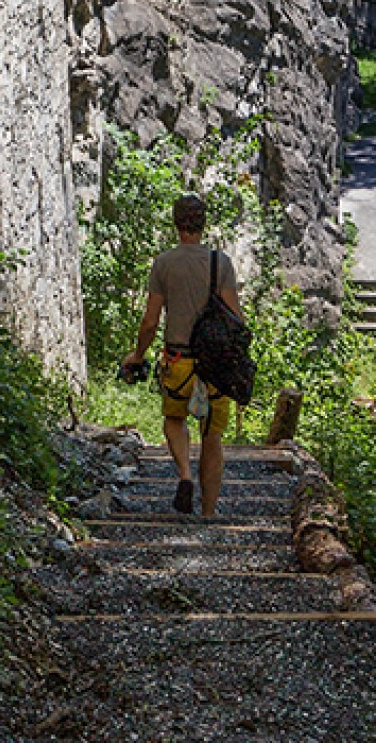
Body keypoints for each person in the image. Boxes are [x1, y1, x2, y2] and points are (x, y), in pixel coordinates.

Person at [120, 193, 243, 518]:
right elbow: (236, 320)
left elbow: (150, 321)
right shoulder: (221, 263)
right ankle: (208, 514)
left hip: (178, 361)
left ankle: (185, 476)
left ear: (176, 224)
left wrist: (138, 354)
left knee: (174, 421)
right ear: (204, 224)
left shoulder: (164, 264)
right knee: (212, 437)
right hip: (215, 366)